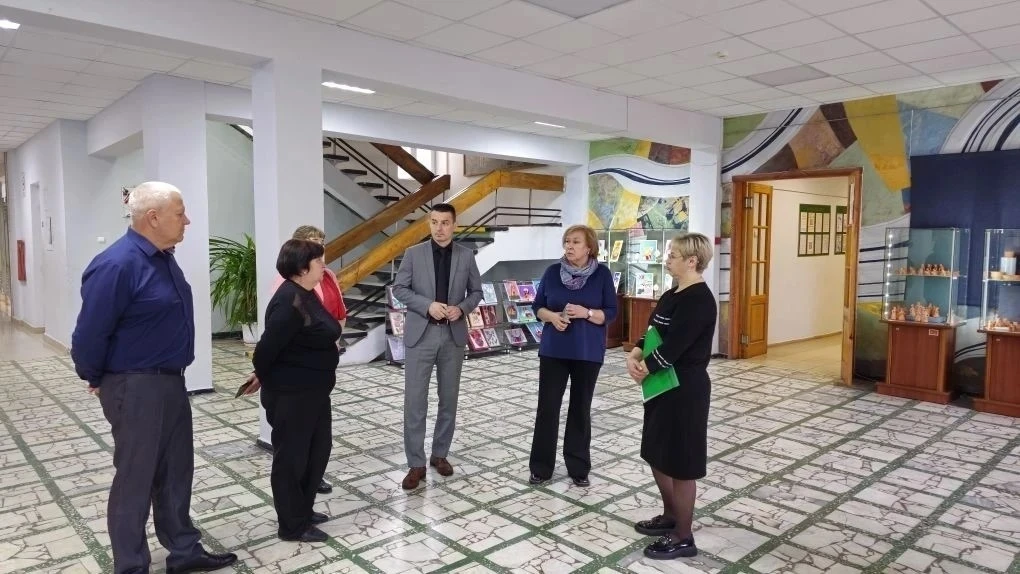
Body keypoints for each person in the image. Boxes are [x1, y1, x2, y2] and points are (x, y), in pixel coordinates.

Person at [70, 182, 237, 574]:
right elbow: (89, 333)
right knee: (136, 478)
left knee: (176, 471)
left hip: (169, 382)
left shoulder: (163, 258)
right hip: (136, 385)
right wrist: (95, 375)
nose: (187, 220)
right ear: (153, 218)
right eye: (180, 213)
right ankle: (131, 565)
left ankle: (184, 551)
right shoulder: (117, 264)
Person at [627, 233, 716, 560]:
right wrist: (636, 353)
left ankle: (683, 536)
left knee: (681, 462)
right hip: (660, 386)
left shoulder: (699, 300)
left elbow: (675, 346)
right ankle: (670, 515)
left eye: (673, 255)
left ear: (692, 261)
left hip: (685, 389)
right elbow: (653, 331)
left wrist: (645, 367)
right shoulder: (672, 293)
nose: (667, 259)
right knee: (658, 452)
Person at [252, 239, 342, 543]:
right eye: (318, 261)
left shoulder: (306, 293)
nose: (323, 266)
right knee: (292, 460)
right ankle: (291, 525)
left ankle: (303, 510)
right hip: (292, 396)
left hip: (313, 393)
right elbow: (264, 352)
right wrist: (263, 376)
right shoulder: (288, 302)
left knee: (317, 452)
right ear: (303, 267)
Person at [391, 203, 482, 490]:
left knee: (448, 400)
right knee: (415, 402)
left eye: (445, 223)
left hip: (452, 337)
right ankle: (415, 463)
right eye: (434, 222)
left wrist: (462, 308)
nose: (439, 228)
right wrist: (427, 305)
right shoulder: (413, 254)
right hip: (421, 335)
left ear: (454, 225)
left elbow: (476, 291)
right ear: (429, 224)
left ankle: (440, 454)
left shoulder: (466, 255)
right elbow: (399, 289)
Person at [528, 224, 618, 487]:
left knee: (580, 408)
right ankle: (540, 467)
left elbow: (611, 312)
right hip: (554, 350)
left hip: (587, 352)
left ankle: (578, 467)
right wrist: (553, 317)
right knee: (547, 408)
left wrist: (586, 313)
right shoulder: (552, 272)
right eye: (567, 241)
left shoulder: (602, 274)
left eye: (576, 242)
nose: (569, 246)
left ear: (589, 247)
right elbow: (537, 307)